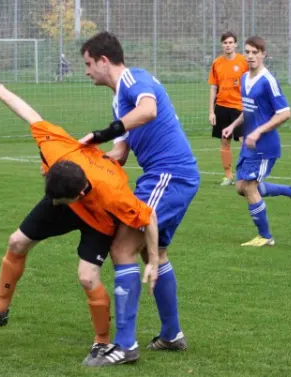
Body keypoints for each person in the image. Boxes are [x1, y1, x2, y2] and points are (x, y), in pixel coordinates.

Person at [0, 68, 160, 365]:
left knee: (87, 276)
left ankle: (102, 343)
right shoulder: (59, 150)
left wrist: (154, 260)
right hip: (66, 202)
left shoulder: (113, 193)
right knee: (16, 242)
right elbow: (30, 114)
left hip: (98, 220)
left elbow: (149, 218)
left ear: (80, 194)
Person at [79, 31, 200, 366]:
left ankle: (125, 345)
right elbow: (121, 152)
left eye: (89, 64)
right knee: (155, 252)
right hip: (170, 176)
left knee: (122, 248)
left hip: (168, 175)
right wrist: (87, 160)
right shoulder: (118, 99)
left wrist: (105, 131)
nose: (87, 71)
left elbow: (148, 110)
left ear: (104, 60)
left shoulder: (135, 78)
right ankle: (172, 335)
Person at [222, 36, 291, 247]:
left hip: (264, 146)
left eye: (255, 52)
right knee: (241, 187)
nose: (251, 56)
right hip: (249, 145)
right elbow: (249, 109)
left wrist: (258, 132)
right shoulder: (244, 79)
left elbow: (285, 113)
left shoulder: (268, 80)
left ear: (263, 54)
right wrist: (233, 126)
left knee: (250, 188)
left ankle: (265, 236)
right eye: (248, 52)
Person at [208, 31, 249, 186]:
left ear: (236, 44)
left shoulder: (244, 62)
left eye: (230, 42)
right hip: (222, 107)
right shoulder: (217, 63)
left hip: (239, 107)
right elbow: (213, 87)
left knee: (243, 141)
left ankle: (245, 175)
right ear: (222, 45)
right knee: (225, 142)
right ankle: (228, 176)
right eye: (225, 43)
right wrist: (211, 111)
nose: (228, 45)